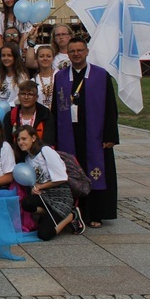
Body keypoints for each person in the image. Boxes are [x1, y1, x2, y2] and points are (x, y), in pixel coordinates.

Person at [52, 37, 118, 229]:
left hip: (95, 134)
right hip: (69, 132)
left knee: (96, 171)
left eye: (80, 50)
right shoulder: (61, 76)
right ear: (68, 54)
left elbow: (110, 107)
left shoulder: (100, 75)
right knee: (74, 171)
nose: (76, 54)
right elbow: (56, 109)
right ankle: (77, 212)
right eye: (72, 51)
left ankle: (97, 213)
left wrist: (110, 136)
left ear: (87, 52)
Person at [15, 125, 85, 239]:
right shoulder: (28, 159)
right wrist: (35, 189)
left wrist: (41, 186)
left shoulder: (45, 151)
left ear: (33, 138)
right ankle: (50, 214)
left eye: (24, 139)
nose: (21, 142)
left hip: (60, 195)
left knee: (44, 234)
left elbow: (62, 178)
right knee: (27, 203)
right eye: (18, 140)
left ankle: (71, 215)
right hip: (44, 195)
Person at [3, 80, 56, 147]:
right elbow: (7, 143)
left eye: (30, 94)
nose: (26, 97)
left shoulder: (46, 115)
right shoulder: (10, 116)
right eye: (23, 94)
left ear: (36, 97)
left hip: (39, 154)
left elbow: (48, 141)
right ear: (18, 96)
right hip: (17, 154)